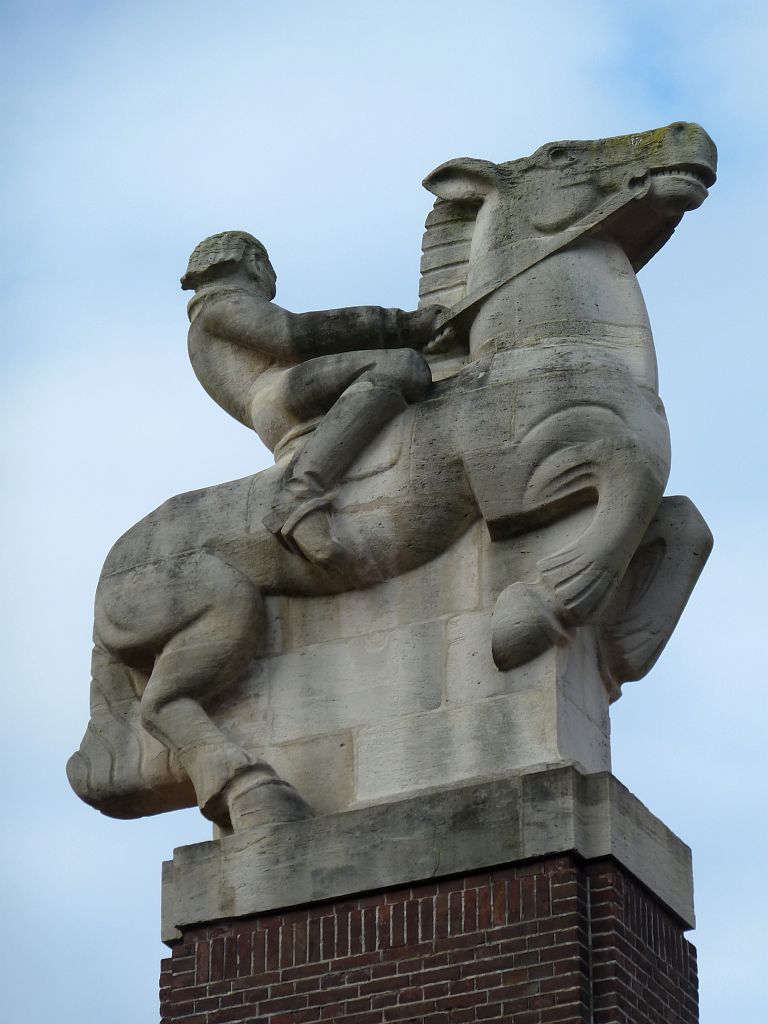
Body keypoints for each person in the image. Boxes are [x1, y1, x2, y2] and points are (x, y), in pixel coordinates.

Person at [181, 230, 447, 567]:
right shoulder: (221, 304)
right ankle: (300, 494)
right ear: (254, 262)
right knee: (397, 365)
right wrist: (406, 325)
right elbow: (295, 335)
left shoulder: (206, 318)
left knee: (403, 362)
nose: (269, 285)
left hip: (275, 401)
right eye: (269, 275)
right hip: (279, 394)